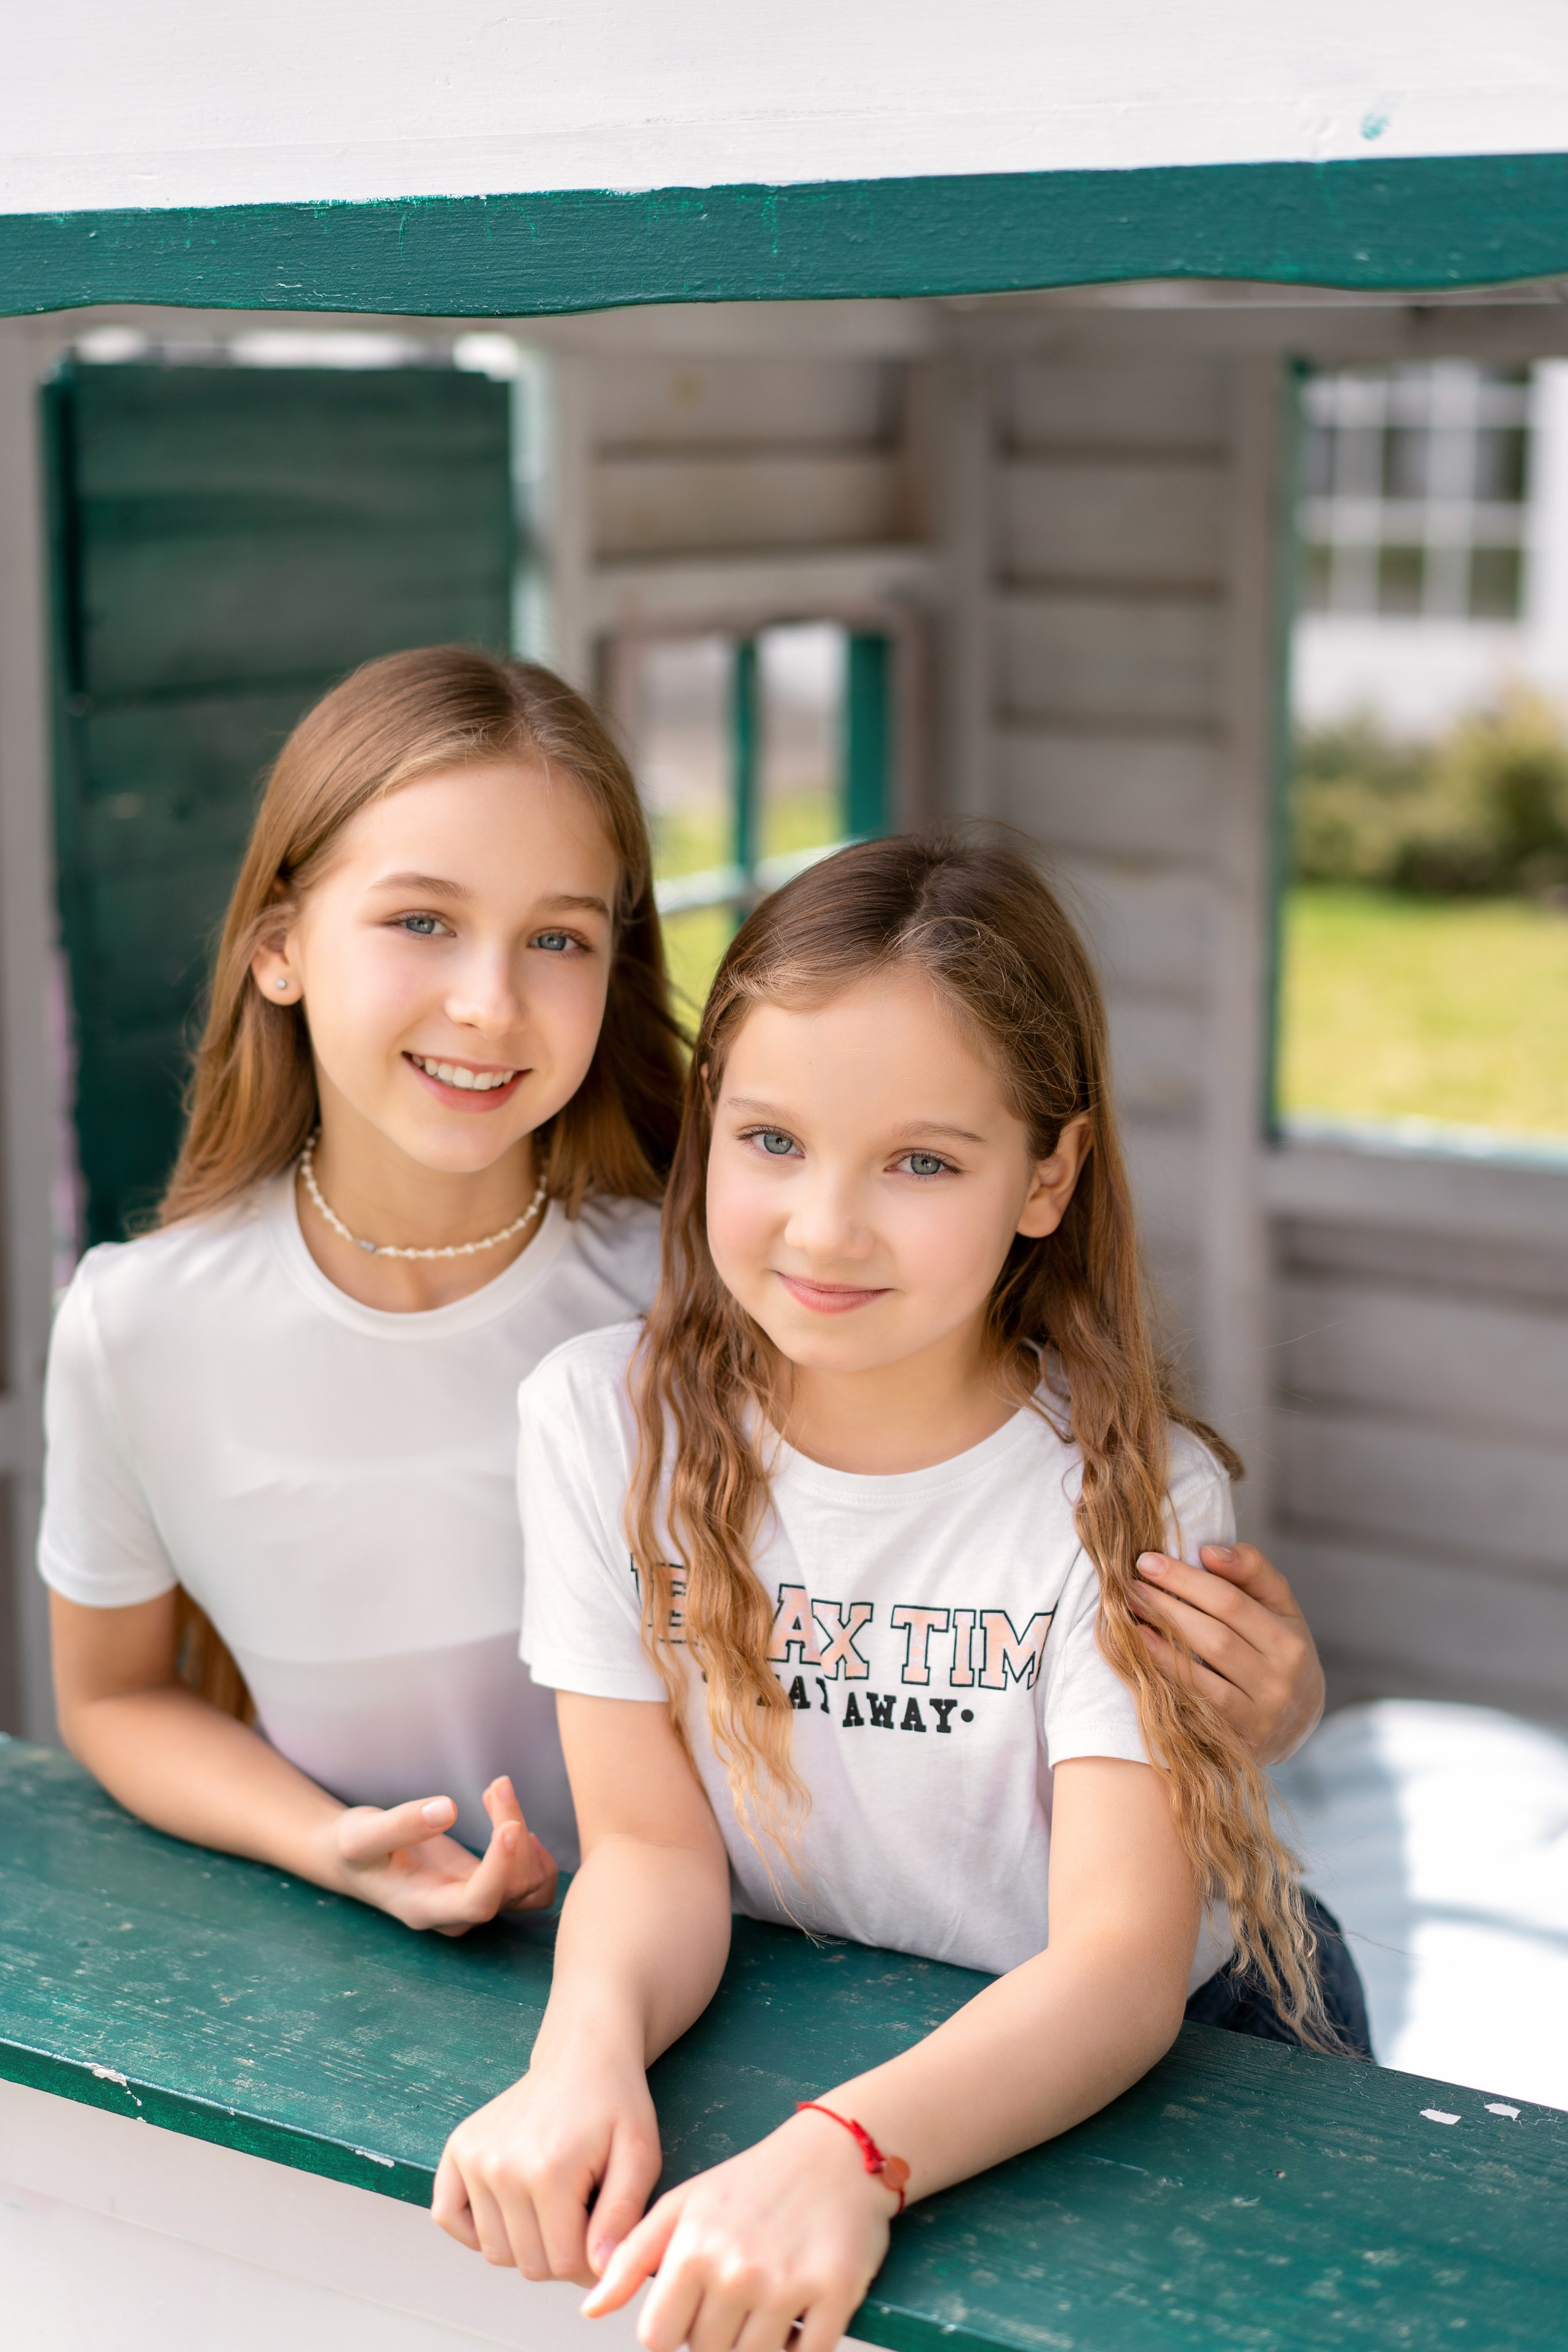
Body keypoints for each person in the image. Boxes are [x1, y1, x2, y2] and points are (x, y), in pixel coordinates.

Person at [433, 832, 1360, 2345]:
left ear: (1045, 1177)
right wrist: (579, 2059)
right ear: (708, 1130)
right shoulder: (599, 1425)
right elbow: (655, 1854)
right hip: (845, 2006)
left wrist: (838, 2158)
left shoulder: (1124, 1487)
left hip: (1183, 2054)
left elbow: (1119, 1968)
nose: (823, 1226)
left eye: (920, 1161)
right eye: (771, 1141)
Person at [40, 647, 685, 1933]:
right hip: (347, 1997)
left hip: (740, 1985)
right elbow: (113, 1697)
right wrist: (330, 1846)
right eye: (421, 921)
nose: (489, 1002)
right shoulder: (138, 1325)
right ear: (280, 946)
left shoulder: (696, 1290)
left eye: (557, 937)